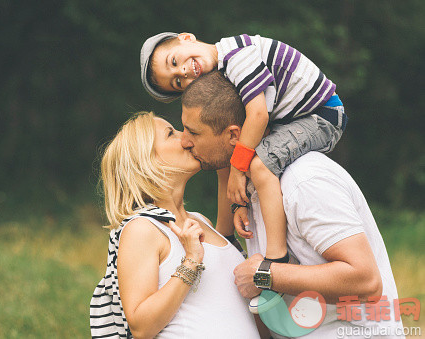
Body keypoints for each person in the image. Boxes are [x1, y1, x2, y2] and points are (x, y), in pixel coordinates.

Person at [180, 71, 404, 338]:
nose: (184, 141)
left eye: (193, 131)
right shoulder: (256, 190)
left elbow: (366, 281)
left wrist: (264, 274)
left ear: (234, 135)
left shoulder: (305, 180)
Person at [140, 32, 347, 265]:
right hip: (292, 118)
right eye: (178, 82)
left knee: (259, 164)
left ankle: (277, 257)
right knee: (231, 157)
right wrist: (238, 198)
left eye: (174, 62)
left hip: (320, 116)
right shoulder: (223, 70)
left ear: (186, 38)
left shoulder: (238, 56)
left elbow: (258, 115)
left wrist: (239, 170)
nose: (183, 73)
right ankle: (226, 236)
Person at [90, 112, 259, 338]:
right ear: (146, 161)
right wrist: (190, 261)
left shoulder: (201, 221)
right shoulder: (142, 229)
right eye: (171, 133)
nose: (186, 138)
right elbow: (141, 327)